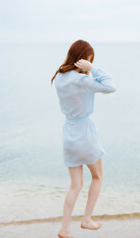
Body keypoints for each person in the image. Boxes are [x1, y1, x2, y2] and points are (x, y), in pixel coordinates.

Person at [51, 39, 117, 238]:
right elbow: (110, 86)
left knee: (75, 185)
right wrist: (94, 69)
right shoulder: (81, 79)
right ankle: (86, 220)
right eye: (89, 59)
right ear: (84, 59)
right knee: (98, 177)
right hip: (85, 133)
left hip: (69, 133)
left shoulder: (60, 76)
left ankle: (64, 229)